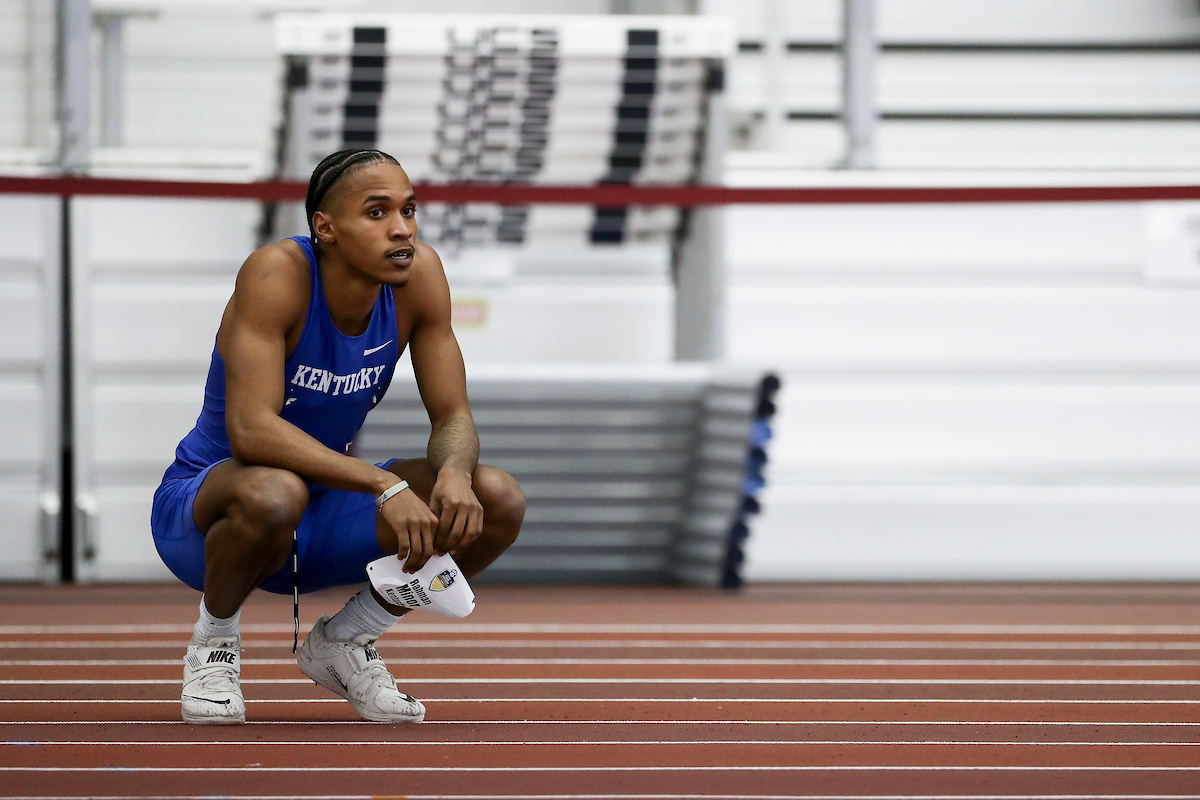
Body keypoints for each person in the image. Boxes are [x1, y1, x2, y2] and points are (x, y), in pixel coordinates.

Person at [150, 149, 525, 725]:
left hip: (321, 512)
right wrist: (384, 484)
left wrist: (452, 473)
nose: (401, 228)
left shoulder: (419, 275)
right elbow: (251, 431)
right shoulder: (277, 274)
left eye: (408, 209)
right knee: (276, 490)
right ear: (325, 228)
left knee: (495, 497)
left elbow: (452, 415)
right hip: (211, 513)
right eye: (377, 213)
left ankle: (345, 641)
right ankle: (214, 645)